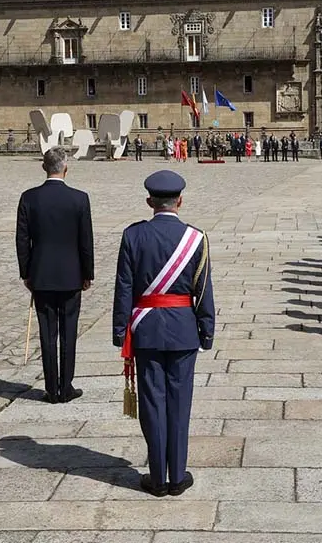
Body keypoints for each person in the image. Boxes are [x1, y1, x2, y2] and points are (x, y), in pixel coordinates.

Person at [113, 170, 215, 497]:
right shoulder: (195, 238)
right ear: (180, 201)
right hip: (184, 329)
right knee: (180, 403)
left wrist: (120, 330)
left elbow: (124, 288)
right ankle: (177, 476)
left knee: (152, 403)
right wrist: (207, 330)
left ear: (149, 202)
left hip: (146, 329)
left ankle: (157, 478)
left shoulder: (133, 236)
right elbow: (203, 290)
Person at [16, 148, 95, 403]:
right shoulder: (79, 199)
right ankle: (66, 386)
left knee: (47, 332)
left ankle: (51, 388)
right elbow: (86, 241)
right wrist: (88, 273)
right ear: (66, 168)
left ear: (44, 167)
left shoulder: (29, 198)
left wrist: (26, 273)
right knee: (68, 332)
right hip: (72, 274)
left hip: (41, 275)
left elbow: (22, 240)